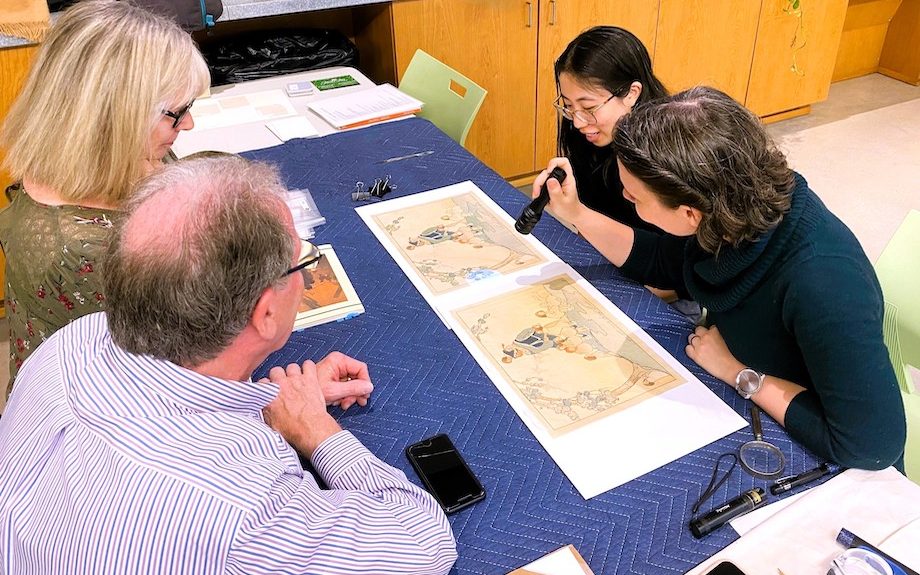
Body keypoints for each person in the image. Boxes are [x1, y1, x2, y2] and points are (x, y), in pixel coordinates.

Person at [0, 156, 458, 574]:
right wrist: (319, 433)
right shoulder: (245, 510)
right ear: (265, 313)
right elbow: (425, 544)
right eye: (303, 262)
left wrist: (272, 404)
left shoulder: (71, 341)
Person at [533, 87, 906, 470]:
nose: (628, 201)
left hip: (810, 444)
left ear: (689, 213)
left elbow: (871, 445)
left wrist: (740, 373)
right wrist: (576, 213)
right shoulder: (732, 205)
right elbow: (664, 260)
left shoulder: (823, 282)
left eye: (634, 198)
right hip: (744, 389)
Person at [0, 0, 209, 394]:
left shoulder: (106, 153)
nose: (190, 124)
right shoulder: (78, 251)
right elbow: (163, 379)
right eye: (177, 113)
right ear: (115, 115)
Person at [553, 26, 667, 230]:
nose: (578, 122)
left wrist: (579, 215)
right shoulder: (584, 131)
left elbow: (660, 253)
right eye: (568, 105)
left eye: (589, 107)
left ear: (632, 93)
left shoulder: (662, 154)